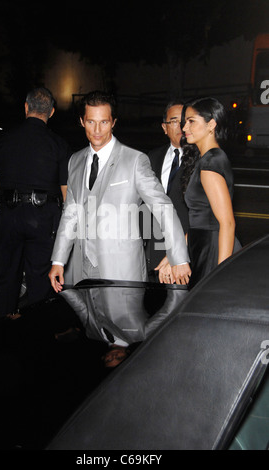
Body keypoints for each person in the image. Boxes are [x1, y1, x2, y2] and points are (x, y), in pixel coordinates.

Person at [49, 90, 191, 367]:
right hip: (82, 265)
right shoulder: (75, 160)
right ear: (82, 122)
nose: (97, 130)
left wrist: (178, 257)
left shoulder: (134, 160)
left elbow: (163, 207)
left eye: (104, 122)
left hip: (121, 269)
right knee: (92, 332)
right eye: (91, 122)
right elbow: (71, 213)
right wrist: (58, 260)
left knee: (128, 328)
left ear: (114, 122)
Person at [0, 87, 72, 321]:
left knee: (5, 278)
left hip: (7, 217)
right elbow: (66, 192)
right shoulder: (58, 144)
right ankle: (36, 335)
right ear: (51, 112)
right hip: (43, 218)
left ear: (26, 107)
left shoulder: (4, 140)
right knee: (40, 280)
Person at [180, 96, 241, 287]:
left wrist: (220, 273)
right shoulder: (208, 159)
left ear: (211, 124)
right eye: (185, 122)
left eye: (191, 122)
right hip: (203, 246)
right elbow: (200, 216)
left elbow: (227, 223)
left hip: (212, 249)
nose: (184, 128)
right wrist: (175, 253)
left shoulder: (210, 162)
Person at [144, 100, 189, 282]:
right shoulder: (151, 158)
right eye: (174, 121)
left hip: (187, 249)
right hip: (154, 248)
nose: (180, 126)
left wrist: (179, 253)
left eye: (185, 120)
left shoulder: (202, 159)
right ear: (164, 127)